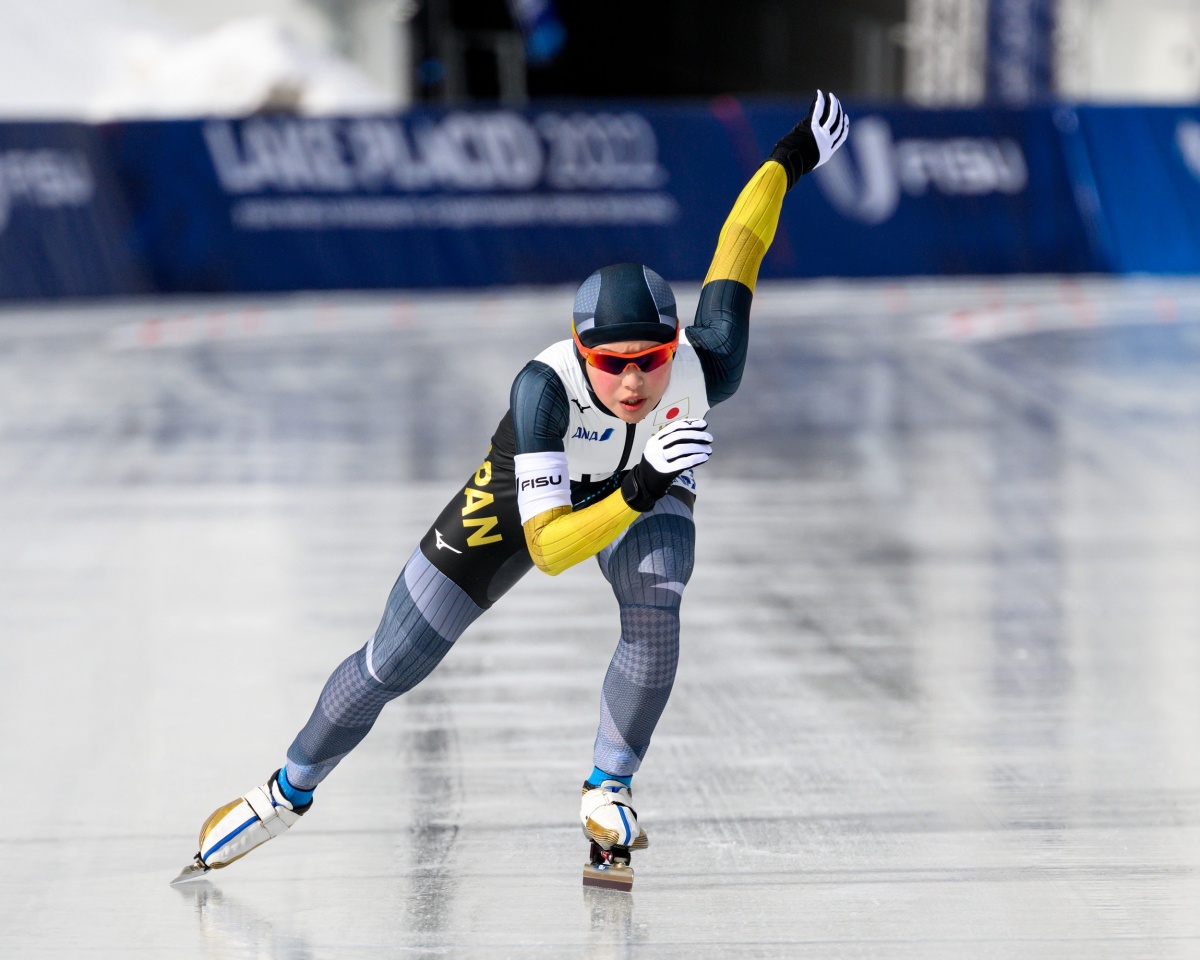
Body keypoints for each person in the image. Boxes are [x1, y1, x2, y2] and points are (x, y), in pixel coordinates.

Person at [174, 91, 849, 883]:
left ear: (676, 344)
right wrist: (642, 481)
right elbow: (551, 548)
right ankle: (286, 791)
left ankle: (609, 788)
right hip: (530, 505)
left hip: (647, 486)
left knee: (657, 600)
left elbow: (741, 241)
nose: (634, 382)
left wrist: (789, 155)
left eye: (650, 359)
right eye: (612, 363)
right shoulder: (543, 391)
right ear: (580, 354)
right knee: (393, 663)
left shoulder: (711, 363)